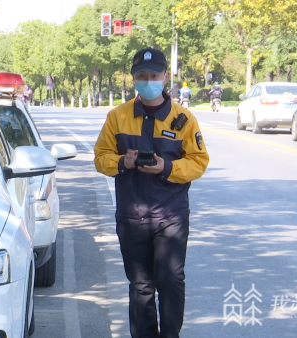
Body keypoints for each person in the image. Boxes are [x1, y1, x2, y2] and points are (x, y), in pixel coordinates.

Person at [94, 47, 209, 338]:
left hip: (170, 215)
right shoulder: (117, 117)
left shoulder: (183, 119)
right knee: (141, 286)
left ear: (165, 77)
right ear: (133, 78)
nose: (148, 81)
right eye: (142, 76)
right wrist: (122, 161)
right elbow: (100, 157)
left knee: (171, 280)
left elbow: (198, 162)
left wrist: (166, 167)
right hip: (132, 215)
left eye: (154, 75)